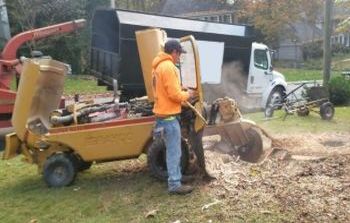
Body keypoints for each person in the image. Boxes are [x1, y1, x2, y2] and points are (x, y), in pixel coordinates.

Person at [152, 39, 196, 195]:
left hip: (163, 115)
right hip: (169, 117)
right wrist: (188, 94)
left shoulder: (158, 66)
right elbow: (175, 95)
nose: (179, 58)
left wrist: (180, 88)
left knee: (174, 150)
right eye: (179, 54)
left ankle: (177, 177)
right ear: (174, 52)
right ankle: (174, 184)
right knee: (173, 152)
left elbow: (165, 89)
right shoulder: (169, 67)